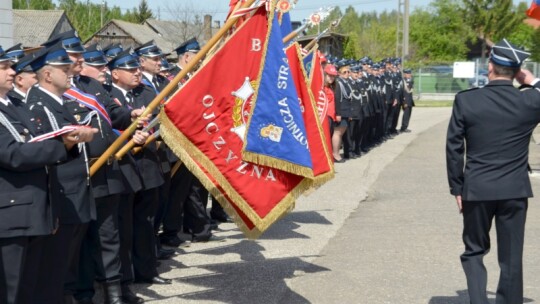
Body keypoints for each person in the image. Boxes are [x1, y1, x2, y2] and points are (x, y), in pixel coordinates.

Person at [446, 38, 540, 304]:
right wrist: (531, 81)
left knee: (474, 251)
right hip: (514, 190)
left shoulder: (467, 101)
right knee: (511, 257)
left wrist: (457, 187)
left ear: (490, 67)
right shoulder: (530, 102)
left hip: (477, 188)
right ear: (517, 72)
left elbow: (454, 148)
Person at [0, 45, 84, 304]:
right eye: (4, 67)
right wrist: (63, 146)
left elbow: (35, 141)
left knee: (30, 286)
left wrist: (66, 144)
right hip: (11, 213)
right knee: (10, 290)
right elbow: (13, 154)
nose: (12, 71)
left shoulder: (13, 105)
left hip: (34, 209)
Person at [24, 41, 99, 304]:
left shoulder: (59, 102)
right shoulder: (39, 105)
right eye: (63, 68)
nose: (70, 72)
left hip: (76, 192)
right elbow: (47, 150)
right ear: (47, 74)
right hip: (61, 193)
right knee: (55, 265)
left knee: (69, 259)